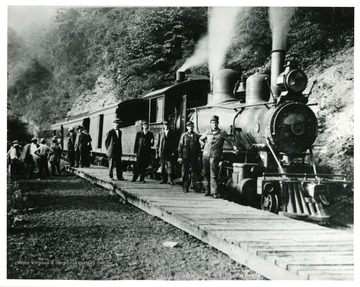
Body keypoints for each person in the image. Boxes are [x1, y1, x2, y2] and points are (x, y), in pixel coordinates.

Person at [199, 115, 239, 198]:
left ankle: (215, 192)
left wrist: (235, 148)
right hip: (206, 155)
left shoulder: (222, 133)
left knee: (213, 174)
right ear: (210, 123)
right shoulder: (207, 132)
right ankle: (207, 190)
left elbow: (231, 141)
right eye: (212, 122)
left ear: (218, 123)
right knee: (206, 173)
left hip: (215, 155)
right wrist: (203, 145)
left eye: (215, 122)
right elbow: (200, 139)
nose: (214, 124)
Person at [178, 121, 202, 193]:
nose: (190, 128)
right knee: (185, 172)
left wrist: (198, 156)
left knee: (195, 172)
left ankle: (196, 187)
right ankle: (185, 187)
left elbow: (198, 147)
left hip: (194, 156)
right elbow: (180, 146)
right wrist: (180, 156)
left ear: (193, 127)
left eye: (192, 126)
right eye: (189, 126)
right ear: (187, 127)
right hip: (185, 156)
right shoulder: (184, 136)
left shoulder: (196, 136)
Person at [156, 120, 176, 185]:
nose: (166, 126)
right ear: (163, 126)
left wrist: (173, 151)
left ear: (169, 126)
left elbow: (173, 143)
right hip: (162, 152)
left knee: (170, 166)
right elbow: (158, 143)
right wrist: (157, 152)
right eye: (165, 125)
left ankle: (170, 180)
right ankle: (163, 179)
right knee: (162, 167)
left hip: (169, 152)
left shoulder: (172, 133)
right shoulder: (160, 133)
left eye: (167, 125)